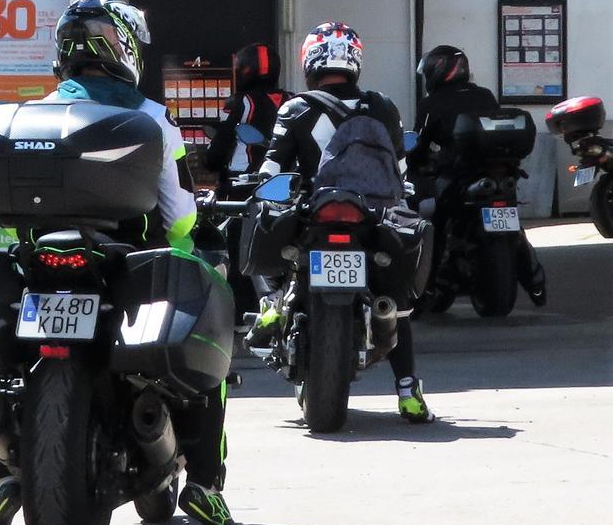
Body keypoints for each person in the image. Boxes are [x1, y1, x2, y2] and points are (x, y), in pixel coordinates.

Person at [0, 0, 242, 525]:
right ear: (122, 49)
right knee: (207, 333)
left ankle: (2, 477)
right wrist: (184, 243)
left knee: (14, 364)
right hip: (127, 270)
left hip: (40, 265)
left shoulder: (35, 113)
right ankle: (206, 485)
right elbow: (179, 213)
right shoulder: (150, 119)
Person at [256, 21, 434, 424]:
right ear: (355, 60)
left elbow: (270, 172)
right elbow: (401, 174)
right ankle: (408, 391)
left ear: (309, 60)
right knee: (394, 298)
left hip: (313, 216)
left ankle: (270, 305)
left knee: (262, 228)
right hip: (372, 218)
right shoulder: (383, 107)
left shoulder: (295, 108)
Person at [409, 45, 546, 306]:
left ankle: (423, 287)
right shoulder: (485, 95)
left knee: (432, 224)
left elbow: (418, 145)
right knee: (514, 226)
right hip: (501, 173)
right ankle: (536, 284)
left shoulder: (431, 104)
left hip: (459, 176)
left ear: (437, 71)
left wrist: (415, 163)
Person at [206, 43, 291, 326]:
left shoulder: (239, 103)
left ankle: (243, 314)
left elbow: (217, 151)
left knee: (239, 251)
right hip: (287, 187)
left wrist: (210, 163)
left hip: (243, 188)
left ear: (245, 70)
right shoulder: (293, 100)